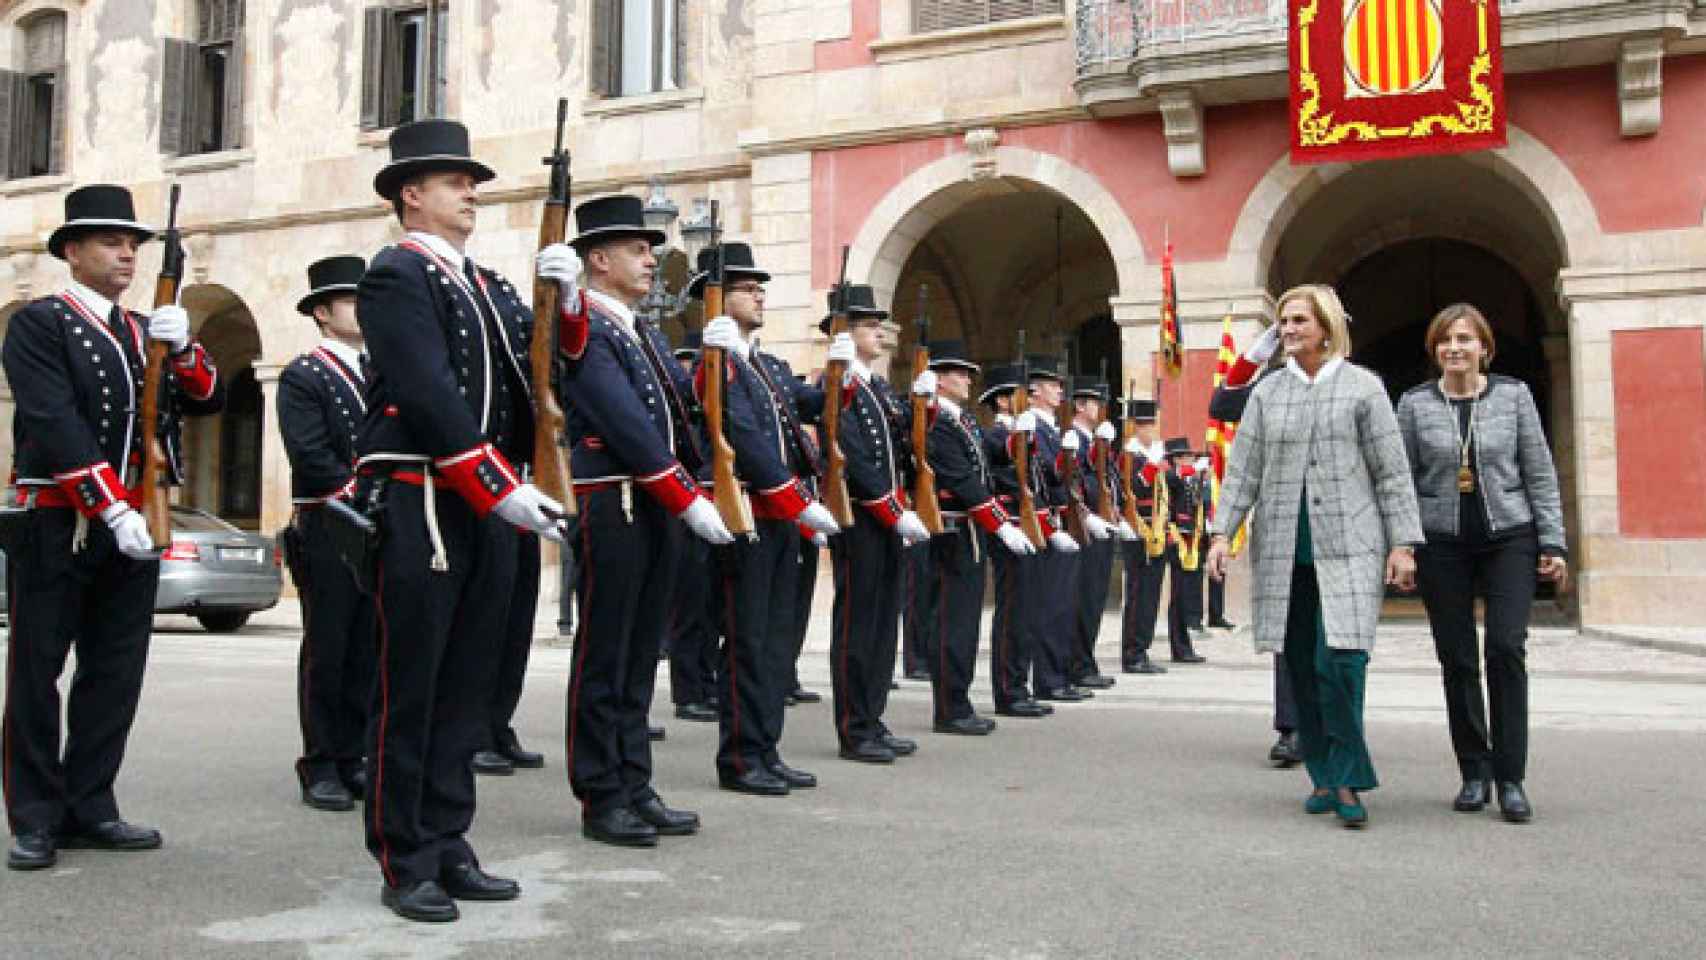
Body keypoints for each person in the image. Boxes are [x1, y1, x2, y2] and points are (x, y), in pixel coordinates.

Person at [355, 120, 569, 921]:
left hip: (486, 502)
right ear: (413, 194)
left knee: (468, 689)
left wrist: (566, 299)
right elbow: (425, 390)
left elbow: (539, 373)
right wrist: (491, 479)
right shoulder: (396, 276)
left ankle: (449, 839)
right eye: (454, 181)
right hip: (425, 498)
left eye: (471, 181)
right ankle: (403, 854)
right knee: (411, 684)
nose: (471, 192)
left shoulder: (486, 285)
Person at [3, 184, 224, 871]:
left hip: (138, 521)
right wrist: (109, 505)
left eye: (132, 243)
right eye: (110, 241)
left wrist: (184, 346)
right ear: (72, 252)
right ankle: (36, 814)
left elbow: (208, 398)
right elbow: (53, 421)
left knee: (115, 669)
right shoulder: (42, 322)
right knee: (39, 671)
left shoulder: (140, 331)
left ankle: (90, 802)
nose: (126, 253)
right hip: (60, 519)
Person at [552, 194, 736, 847]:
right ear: (598, 260)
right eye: (637, 249)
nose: (651, 259)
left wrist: (719, 367)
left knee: (638, 654)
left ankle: (634, 780)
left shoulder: (642, 331)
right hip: (616, 500)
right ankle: (601, 793)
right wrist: (685, 494)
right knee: (606, 651)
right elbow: (621, 419)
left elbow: (678, 416)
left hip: (654, 502)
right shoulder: (586, 328)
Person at [1206, 283, 1422, 829]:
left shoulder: (1363, 387)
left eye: (1300, 319)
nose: (1289, 329)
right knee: (1300, 664)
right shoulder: (1267, 393)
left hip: (1350, 545)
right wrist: (1219, 535)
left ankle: (1348, 777)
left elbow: (1392, 472)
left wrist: (1403, 544)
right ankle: (1325, 776)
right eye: (1283, 320)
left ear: (1326, 326)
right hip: (1283, 546)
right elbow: (1243, 470)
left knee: (1341, 661)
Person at [1396, 303, 1568, 824]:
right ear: (1435, 350)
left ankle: (1511, 777)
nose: (1455, 348)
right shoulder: (1415, 404)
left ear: (1484, 348)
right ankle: (1474, 770)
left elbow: (1539, 472)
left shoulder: (1514, 397)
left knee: (1505, 647)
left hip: (1509, 538)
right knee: (1457, 657)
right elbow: (1400, 480)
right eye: (1446, 340)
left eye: (1465, 339)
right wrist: (1401, 545)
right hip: (1441, 542)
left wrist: (1553, 543)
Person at [689, 241, 840, 795]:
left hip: (781, 515)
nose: (759, 296)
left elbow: (808, 406)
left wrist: (837, 369)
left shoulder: (763, 366)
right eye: (746, 289)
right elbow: (744, 438)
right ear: (716, 300)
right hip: (749, 509)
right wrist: (793, 496)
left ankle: (765, 747)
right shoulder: (715, 361)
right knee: (748, 638)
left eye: (759, 289)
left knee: (777, 639)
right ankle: (739, 756)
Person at [279, 255, 376, 811]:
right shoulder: (305, 374)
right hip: (329, 521)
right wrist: (360, 498)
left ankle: (353, 754)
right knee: (329, 644)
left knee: (369, 644)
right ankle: (319, 761)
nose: (363, 311)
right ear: (322, 312)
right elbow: (311, 455)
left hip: (375, 523)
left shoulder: (379, 369)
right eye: (351, 301)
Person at [824, 285, 932, 763]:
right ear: (843, 332)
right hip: (861, 520)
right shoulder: (836, 385)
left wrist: (920, 410)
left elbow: (902, 452)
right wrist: (893, 510)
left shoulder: (879, 388)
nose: (878, 333)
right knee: (858, 625)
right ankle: (854, 727)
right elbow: (854, 460)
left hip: (888, 520)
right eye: (868, 325)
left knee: (884, 622)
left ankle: (873, 715)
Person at [920, 342, 1036, 734]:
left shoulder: (962, 421)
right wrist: (999, 522)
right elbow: (961, 479)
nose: (968, 378)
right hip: (953, 531)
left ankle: (960, 701)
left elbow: (990, 460)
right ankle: (949, 708)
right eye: (959, 372)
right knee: (952, 621)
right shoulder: (935, 420)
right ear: (937, 378)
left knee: (966, 621)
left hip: (971, 530)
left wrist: (1018, 438)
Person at [1207, 322, 1299, 766]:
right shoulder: (1271, 385)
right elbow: (1223, 404)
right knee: (1287, 629)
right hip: (1282, 520)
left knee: (1333, 636)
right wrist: (1258, 353)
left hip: (1337, 522)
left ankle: (1335, 723)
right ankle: (1292, 728)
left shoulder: (1356, 381)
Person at [979, 366, 1057, 720]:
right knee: (1012, 613)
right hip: (1011, 529)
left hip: (1030, 529)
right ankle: (1008, 691)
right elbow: (1004, 468)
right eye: (1019, 395)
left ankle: (1018, 685)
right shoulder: (995, 435)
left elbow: (1041, 481)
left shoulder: (1024, 434)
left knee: (1026, 612)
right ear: (1003, 400)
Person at [1025, 357, 1092, 703]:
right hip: (1048, 524)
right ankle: (1048, 679)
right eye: (1052, 385)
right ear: (1033, 391)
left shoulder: (1051, 429)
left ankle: (1060, 673)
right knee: (1050, 606)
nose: (1059, 392)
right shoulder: (1034, 430)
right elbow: (1040, 479)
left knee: (1064, 604)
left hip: (1064, 522)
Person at [666, 331, 720, 724]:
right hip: (688, 498)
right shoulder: (685, 396)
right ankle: (687, 690)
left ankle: (705, 679)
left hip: (711, 499)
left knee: (710, 604)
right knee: (691, 603)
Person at [471, 531, 548, 776]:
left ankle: (497, 725)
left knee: (517, 625)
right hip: (489, 505)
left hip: (521, 514)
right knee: (486, 627)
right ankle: (474, 736)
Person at [1065, 381, 1125, 689]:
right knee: (1083, 599)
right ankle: (1077, 663)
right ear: (1079, 405)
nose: (1101, 410)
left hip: (1103, 526)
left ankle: (1085, 659)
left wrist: (1118, 514)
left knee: (1095, 599)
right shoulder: (1074, 438)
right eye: (1095, 403)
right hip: (1084, 529)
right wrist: (1089, 517)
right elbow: (1075, 482)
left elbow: (1109, 481)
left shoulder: (1096, 439)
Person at [1116, 400, 1168, 675]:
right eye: (1145, 425)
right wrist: (1151, 465)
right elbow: (1132, 487)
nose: (1150, 430)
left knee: (1151, 594)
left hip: (1156, 533)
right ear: (1136, 427)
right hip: (1137, 532)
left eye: (1152, 424)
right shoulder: (1129, 455)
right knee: (1137, 594)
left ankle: (1142, 648)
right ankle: (1132, 653)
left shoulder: (1153, 455)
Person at [1161, 438, 1208, 664]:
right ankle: (1179, 647)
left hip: (1191, 539)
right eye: (1187, 456)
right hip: (1177, 539)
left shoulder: (1189, 477)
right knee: (1178, 596)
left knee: (1187, 595)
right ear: (1176, 459)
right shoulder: (1171, 476)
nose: (1191, 459)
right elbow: (1175, 480)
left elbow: (1196, 502)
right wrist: (1190, 470)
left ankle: (1184, 644)